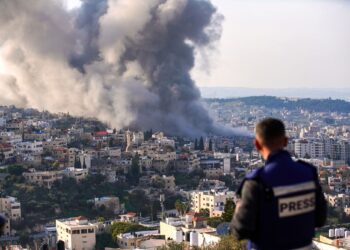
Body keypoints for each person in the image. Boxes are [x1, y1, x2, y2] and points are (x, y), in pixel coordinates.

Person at [231, 118, 327, 250]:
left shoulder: (257, 182)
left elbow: (240, 230)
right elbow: (320, 219)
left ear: (257, 145)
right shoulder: (308, 173)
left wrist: (238, 208)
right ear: (286, 141)